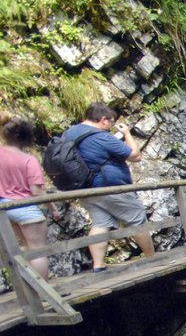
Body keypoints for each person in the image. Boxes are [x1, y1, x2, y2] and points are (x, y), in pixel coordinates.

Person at [63, 102, 155, 272]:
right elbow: (135, 155)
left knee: (100, 223)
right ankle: (152, 259)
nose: (111, 126)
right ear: (103, 119)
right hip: (110, 187)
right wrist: (126, 133)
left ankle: (98, 265)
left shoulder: (69, 133)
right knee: (137, 219)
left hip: (84, 188)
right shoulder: (100, 137)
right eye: (111, 122)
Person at [0, 116, 58, 280]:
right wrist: (52, 209)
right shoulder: (28, 160)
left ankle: (32, 287)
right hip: (25, 208)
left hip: (4, 208)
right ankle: (44, 290)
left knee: (25, 248)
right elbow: (37, 191)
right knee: (38, 249)